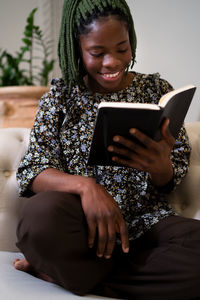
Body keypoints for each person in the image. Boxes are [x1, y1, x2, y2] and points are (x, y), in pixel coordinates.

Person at [14, 0, 200, 299]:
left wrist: (160, 165)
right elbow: (33, 170)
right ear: (77, 49)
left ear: (132, 42)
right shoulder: (60, 97)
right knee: (39, 219)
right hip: (82, 229)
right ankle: (85, 271)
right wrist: (87, 187)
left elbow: (171, 176)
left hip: (144, 225)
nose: (112, 62)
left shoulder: (156, 89)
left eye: (122, 48)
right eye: (97, 53)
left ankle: (63, 275)